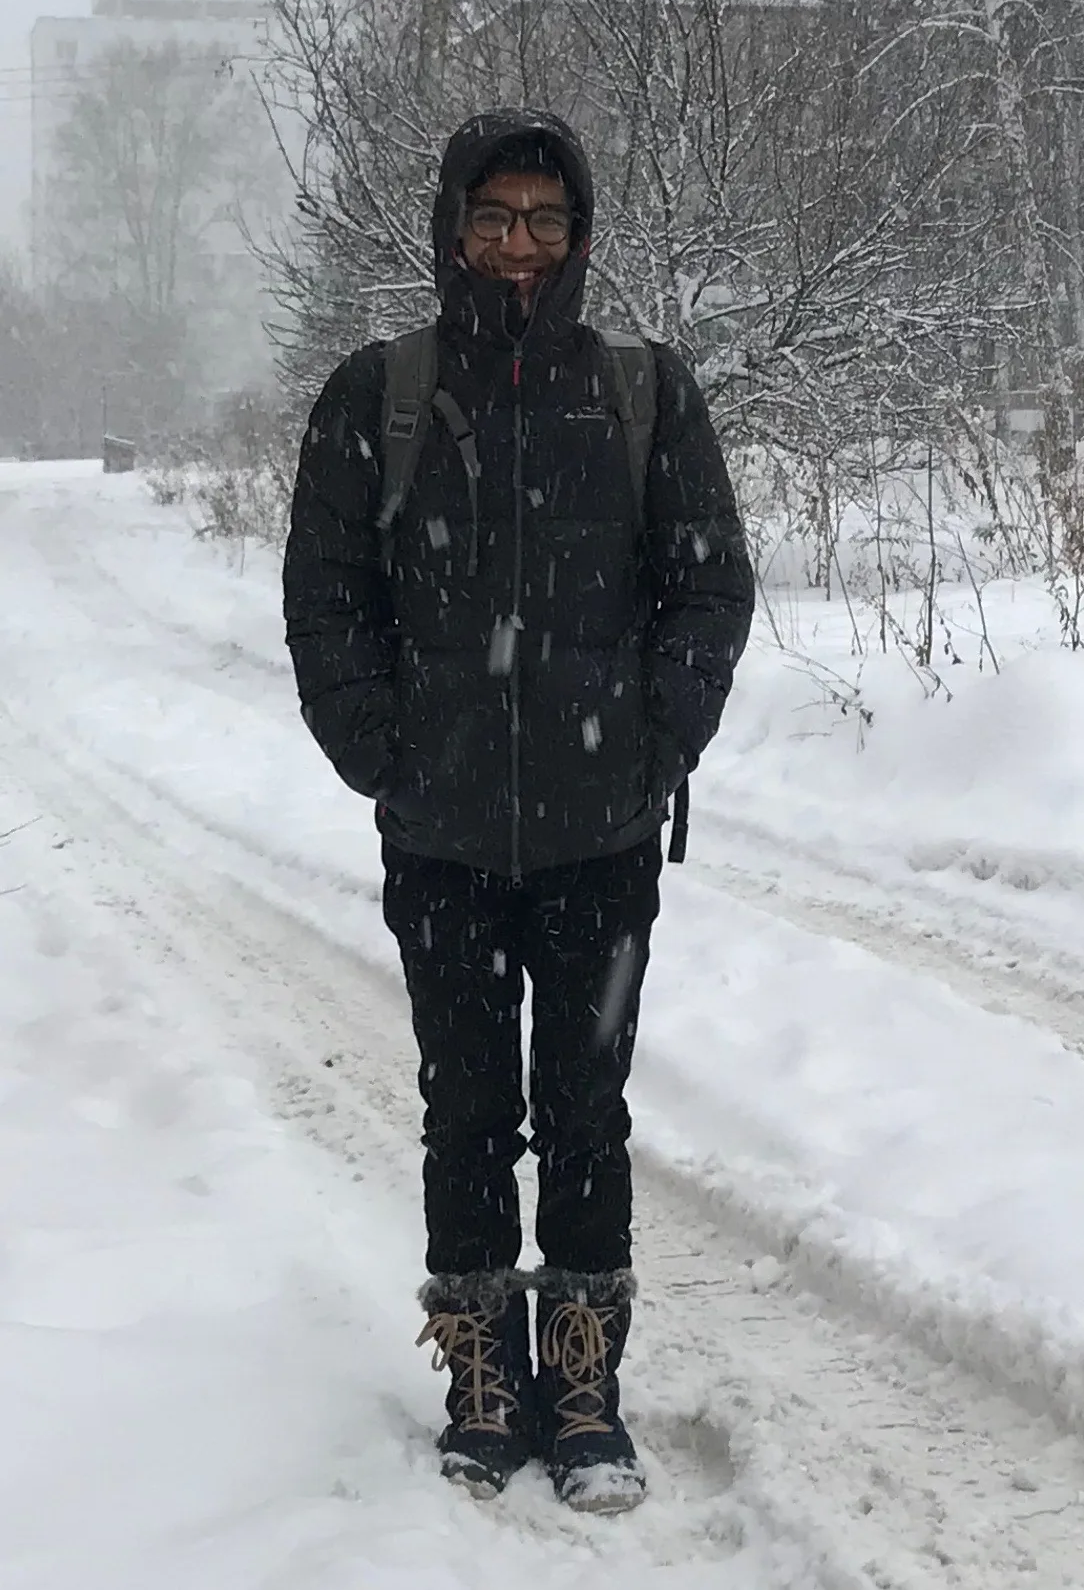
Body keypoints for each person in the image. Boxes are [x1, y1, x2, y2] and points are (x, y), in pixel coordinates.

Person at [282, 112, 754, 1511]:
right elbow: (327, 600)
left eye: (546, 220)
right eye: (496, 217)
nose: (520, 245)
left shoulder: (640, 391)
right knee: (468, 1105)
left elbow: (709, 587)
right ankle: (487, 1373)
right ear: (452, 226)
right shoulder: (381, 393)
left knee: (587, 1108)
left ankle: (587, 1378)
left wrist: (654, 744)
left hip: (600, 837)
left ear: (581, 235)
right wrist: (385, 749)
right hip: (440, 838)